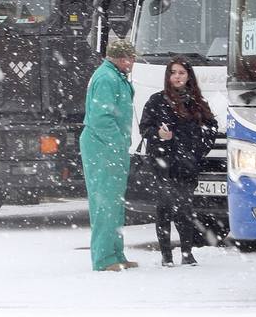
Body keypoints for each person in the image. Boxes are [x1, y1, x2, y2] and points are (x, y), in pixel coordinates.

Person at [139, 57, 219, 266]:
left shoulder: (197, 102)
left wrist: (199, 151)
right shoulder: (156, 100)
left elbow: (211, 127)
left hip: (187, 165)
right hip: (162, 162)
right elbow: (144, 128)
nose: (177, 76)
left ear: (188, 76)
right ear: (168, 76)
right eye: (173, 72)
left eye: (181, 73)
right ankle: (166, 255)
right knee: (164, 208)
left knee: (185, 209)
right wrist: (158, 134)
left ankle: (187, 253)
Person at [79, 37, 140, 272]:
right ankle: (104, 259)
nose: (133, 61)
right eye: (131, 57)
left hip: (110, 147)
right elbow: (100, 119)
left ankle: (116, 253)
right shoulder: (106, 78)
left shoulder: (116, 76)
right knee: (104, 203)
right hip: (103, 147)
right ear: (121, 58)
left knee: (114, 203)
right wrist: (117, 144)